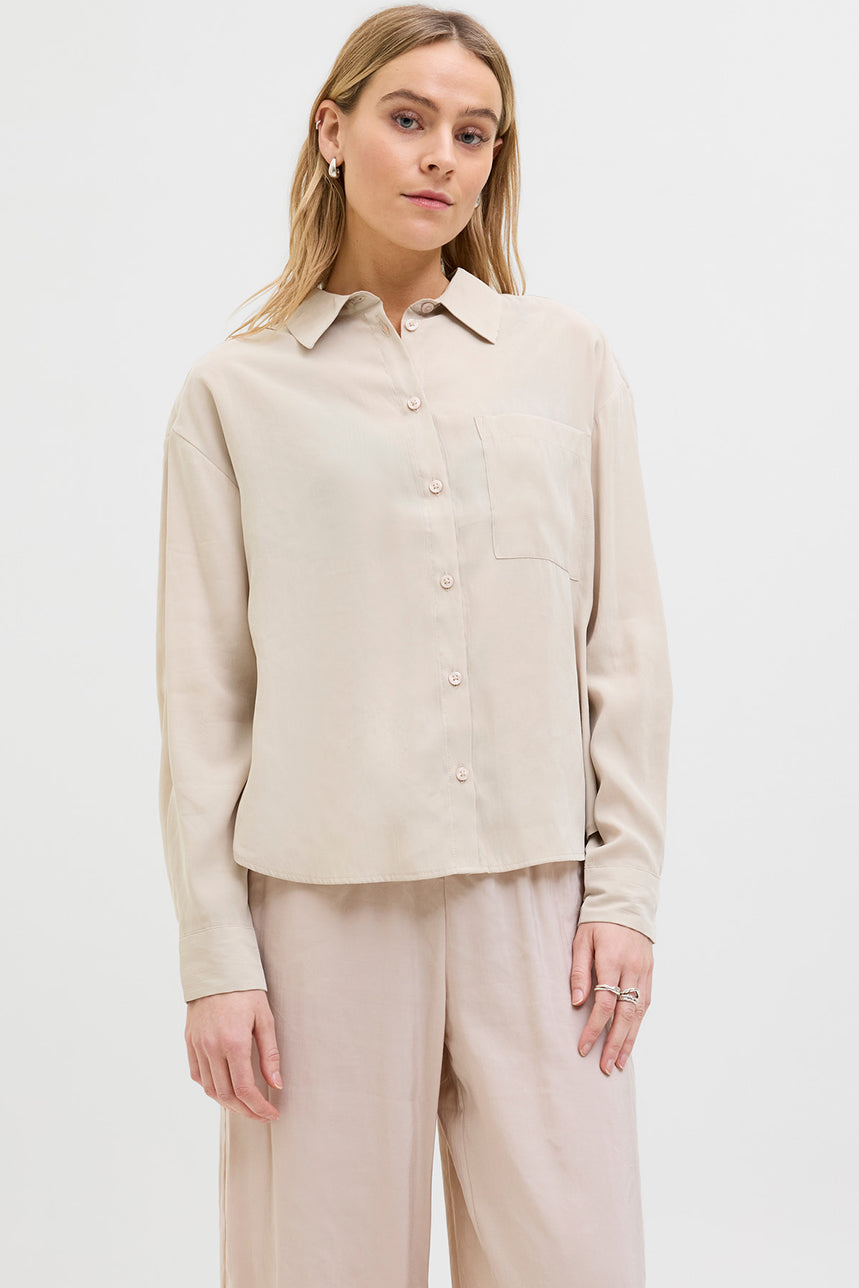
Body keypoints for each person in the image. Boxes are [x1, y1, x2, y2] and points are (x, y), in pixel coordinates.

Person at [155, 6, 673, 1285]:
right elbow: (204, 699)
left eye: (473, 132)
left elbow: (623, 646)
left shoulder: (565, 364)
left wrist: (623, 895)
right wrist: (217, 961)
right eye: (408, 118)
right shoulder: (235, 393)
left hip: (535, 907)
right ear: (332, 132)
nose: (442, 154)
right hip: (318, 914)